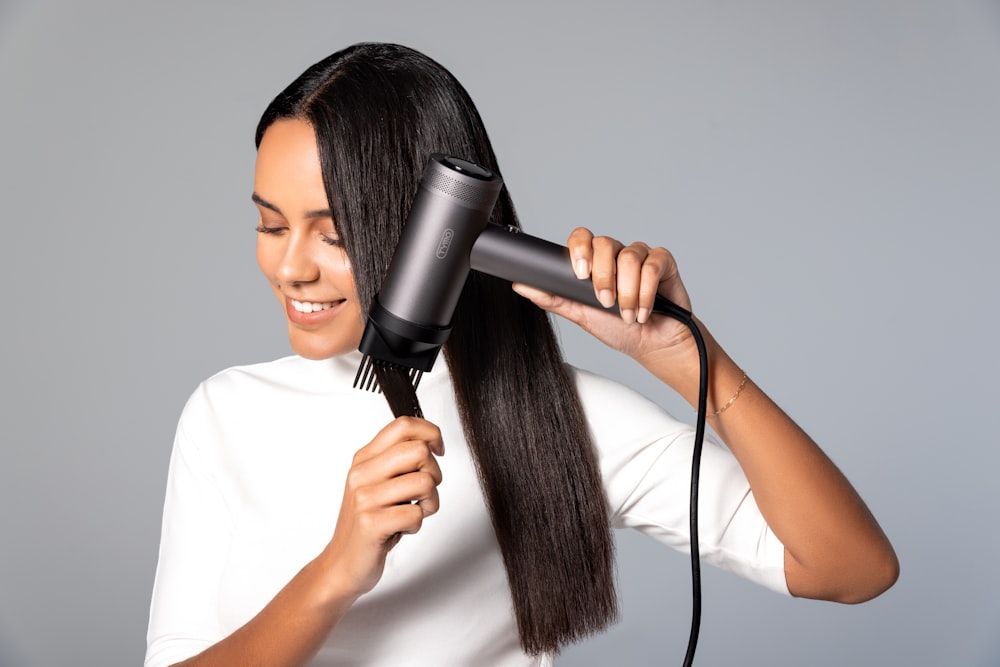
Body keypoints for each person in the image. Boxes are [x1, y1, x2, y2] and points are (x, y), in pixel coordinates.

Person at [144, 42, 898, 667]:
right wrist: (334, 573)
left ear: (429, 228)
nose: (291, 267)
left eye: (333, 233)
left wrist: (682, 356)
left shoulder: (560, 420)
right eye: (272, 225)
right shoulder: (226, 413)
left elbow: (852, 567)